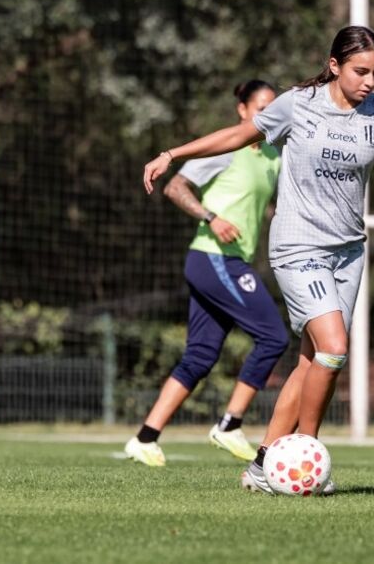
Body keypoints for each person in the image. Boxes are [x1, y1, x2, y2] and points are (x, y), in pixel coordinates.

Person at [143, 26, 374, 492]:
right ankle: (308, 454)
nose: (369, 81)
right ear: (334, 65)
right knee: (334, 346)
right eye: (360, 71)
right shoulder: (298, 104)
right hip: (298, 246)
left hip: (348, 252)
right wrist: (172, 153)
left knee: (312, 361)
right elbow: (239, 134)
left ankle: (263, 465)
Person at [125, 80, 291, 467]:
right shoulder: (227, 149)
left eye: (273, 109)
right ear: (242, 110)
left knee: (200, 355)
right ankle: (230, 425)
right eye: (261, 108)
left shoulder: (272, 156)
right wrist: (210, 217)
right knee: (273, 336)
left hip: (231, 261)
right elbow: (176, 187)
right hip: (214, 258)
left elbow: (265, 207)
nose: (268, 115)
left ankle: (145, 438)